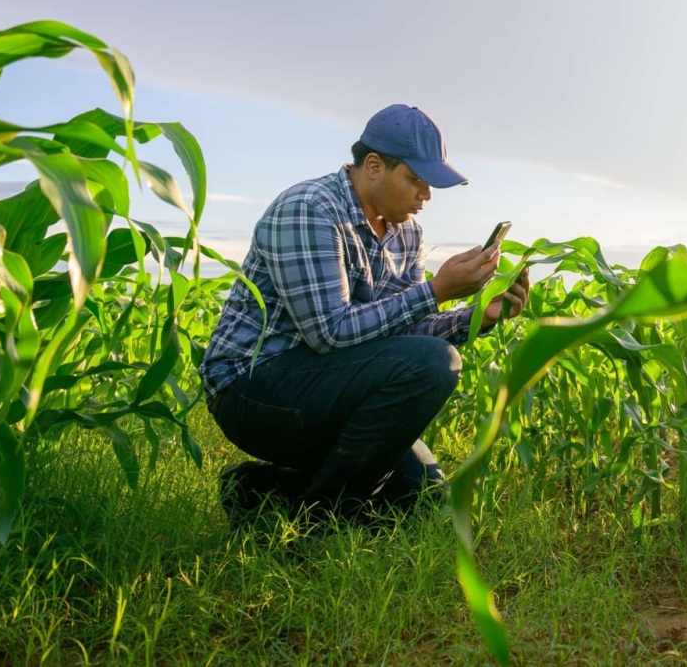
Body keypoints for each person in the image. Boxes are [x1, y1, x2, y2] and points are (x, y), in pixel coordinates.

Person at [199, 103, 529, 526]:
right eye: (416, 180)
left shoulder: (406, 231)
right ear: (373, 166)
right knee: (434, 363)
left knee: (422, 498)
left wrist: (480, 315)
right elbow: (330, 334)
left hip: (331, 382)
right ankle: (319, 524)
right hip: (254, 387)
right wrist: (436, 290)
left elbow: (407, 332)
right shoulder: (310, 209)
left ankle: (257, 489)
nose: (426, 196)